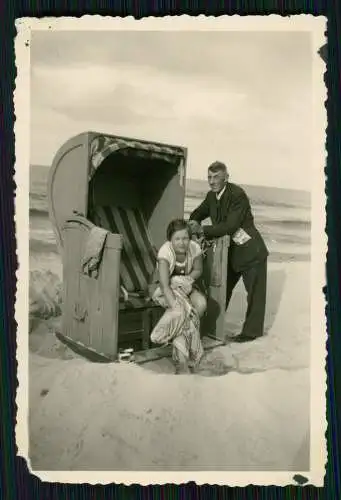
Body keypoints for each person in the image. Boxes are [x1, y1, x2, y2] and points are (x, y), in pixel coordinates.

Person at [189, 161, 269, 343]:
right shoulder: (211, 196)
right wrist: (193, 222)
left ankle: (251, 333)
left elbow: (230, 226)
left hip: (251, 252)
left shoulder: (238, 195)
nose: (212, 181)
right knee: (220, 290)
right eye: (209, 177)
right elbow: (197, 213)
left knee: (255, 296)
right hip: (229, 254)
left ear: (226, 177)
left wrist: (202, 231)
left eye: (216, 177)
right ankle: (212, 327)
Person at [149, 219, 207, 372]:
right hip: (163, 288)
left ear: (190, 238)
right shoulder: (165, 253)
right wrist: (174, 305)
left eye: (185, 238)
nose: (182, 242)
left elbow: (198, 270)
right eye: (177, 239)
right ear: (170, 240)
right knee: (182, 312)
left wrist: (188, 279)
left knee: (200, 304)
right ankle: (182, 358)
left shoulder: (194, 248)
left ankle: (183, 346)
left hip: (185, 286)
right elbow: (163, 284)